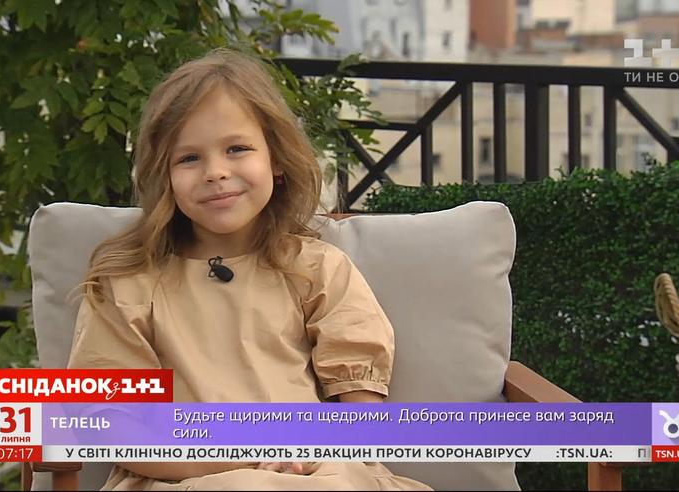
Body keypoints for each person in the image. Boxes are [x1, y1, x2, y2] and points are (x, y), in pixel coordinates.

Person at [68, 47, 433, 491]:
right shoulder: (125, 282)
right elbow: (116, 429)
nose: (216, 172)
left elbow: (361, 413)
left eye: (237, 149)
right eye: (189, 158)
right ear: (164, 175)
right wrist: (239, 460)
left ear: (275, 160)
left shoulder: (317, 269)